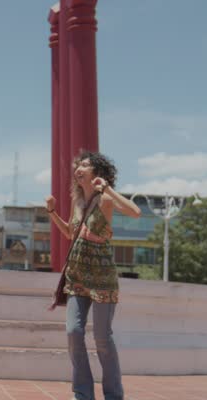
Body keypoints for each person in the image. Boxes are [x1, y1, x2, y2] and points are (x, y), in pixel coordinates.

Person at [45, 150, 141, 400]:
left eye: (85, 165)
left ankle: (113, 395)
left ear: (97, 172)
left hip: (102, 275)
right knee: (73, 332)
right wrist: (52, 212)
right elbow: (69, 233)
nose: (78, 168)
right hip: (77, 274)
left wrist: (107, 189)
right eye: (77, 165)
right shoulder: (78, 202)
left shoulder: (105, 200)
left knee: (101, 337)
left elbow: (135, 212)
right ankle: (82, 393)